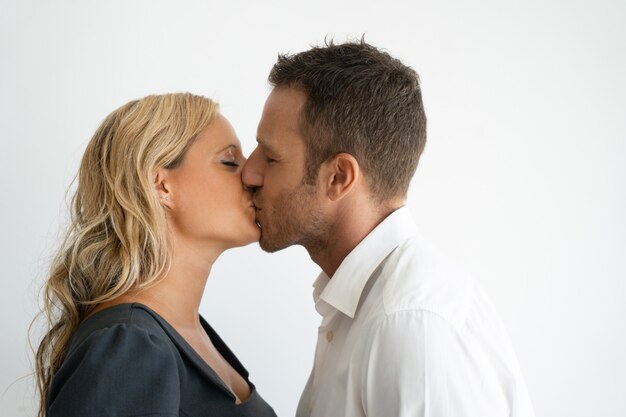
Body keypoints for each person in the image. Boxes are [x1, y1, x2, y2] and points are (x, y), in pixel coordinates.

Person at [242, 40, 535, 417]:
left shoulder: (411, 325)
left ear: (338, 177)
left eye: (270, 157)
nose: (249, 173)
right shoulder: (364, 305)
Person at [34, 93, 277, 417]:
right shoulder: (129, 344)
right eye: (229, 162)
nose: (251, 176)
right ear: (161, 185)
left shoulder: (178, 334)